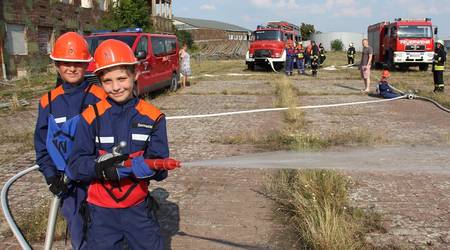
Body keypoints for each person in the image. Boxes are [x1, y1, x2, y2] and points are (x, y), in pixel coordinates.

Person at [68, 39, 174, 249]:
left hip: (138, 211)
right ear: (99, 80)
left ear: (135, 73)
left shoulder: (154, 117)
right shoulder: (90, 117)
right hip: (100, 215)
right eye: (108, 81)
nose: (116, 87)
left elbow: (161, 171)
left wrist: (148, 168)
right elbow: (76, 166)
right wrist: (100, 167)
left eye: (122, 78)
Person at [34, 32, 107, 250]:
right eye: (66, 63)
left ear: (86, 65)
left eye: (77, 63)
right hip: (69, 185)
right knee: (78, 232)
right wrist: (50, 176)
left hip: (98, 180)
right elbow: (41, 143)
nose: (72, 68)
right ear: (56, 65)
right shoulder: (48, 101)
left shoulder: (100, 97)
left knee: (104, 231)